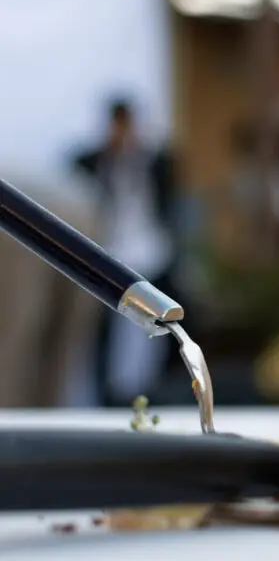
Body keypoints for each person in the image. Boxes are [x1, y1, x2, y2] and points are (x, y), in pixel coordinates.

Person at [72, 98, 179, 406]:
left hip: (150, 251)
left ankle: (156, 388)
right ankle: (107, 394)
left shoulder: (153, 160)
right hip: (109, 251)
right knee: (105, 329)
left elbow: (167, 196)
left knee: (161, 323)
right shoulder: (94, 160)